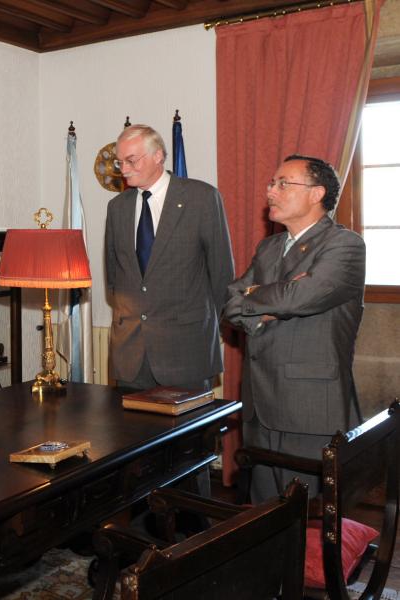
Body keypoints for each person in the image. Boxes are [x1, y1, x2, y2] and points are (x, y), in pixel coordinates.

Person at [225, 155, 365, 502]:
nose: (270, 191)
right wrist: (271, 305)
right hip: (259, 402)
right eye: (272, 183)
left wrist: (257, 296)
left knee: (310, 518)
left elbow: (300, 299)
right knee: (263, 516)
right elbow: (230, 303)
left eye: (283, 183)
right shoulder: (268, 247)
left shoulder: (344, 245)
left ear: (316, 194)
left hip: (308, 406)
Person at [105, 124, 234, 392]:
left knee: (192, 434)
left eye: (131, 160)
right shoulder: (117, 207)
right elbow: (114, 276)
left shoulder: (201, 198)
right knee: (132, 433)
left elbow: (221, 272)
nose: (123, 169)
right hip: (130, 356)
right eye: (120, 162)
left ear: (158, 156)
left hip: (186, 352)